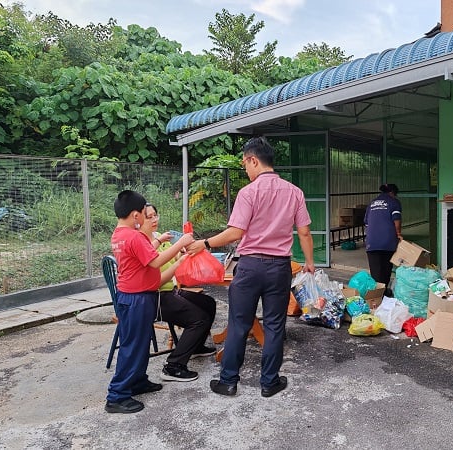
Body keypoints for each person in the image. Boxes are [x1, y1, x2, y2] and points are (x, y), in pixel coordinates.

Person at [187, 136, 315, 398]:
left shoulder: (249, 193)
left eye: (245, 163)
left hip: (249, 267)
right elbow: (304, 232)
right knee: (275, 324)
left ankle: (228, 381)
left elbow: (235, 232)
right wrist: (310, 263)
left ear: (253, 160)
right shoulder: (294, 192)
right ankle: (269, 382)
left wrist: (205, 243)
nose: (245, 169)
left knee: (239, 323)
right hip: (280, 267)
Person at [105, 190, 195, 414]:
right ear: (136, 216)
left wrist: (158, 242)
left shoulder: (120, 234)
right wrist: (180, 243)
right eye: (145, 214)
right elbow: (154, 263)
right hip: (137, 298)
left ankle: (137, 381)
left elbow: (141, 257)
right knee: (132, 347)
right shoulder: (134, 237)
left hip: (133, 296)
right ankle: (116, 396)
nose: (148, 218)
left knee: (140, 343)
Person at [140, 203, 217, 382]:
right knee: (199, 318)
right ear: (137, 220)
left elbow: (172, 256)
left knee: (208, 303)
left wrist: (182, 252)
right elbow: (156, 281)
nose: (154, 219)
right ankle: (173, 366)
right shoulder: (142, 243)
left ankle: (195, 347)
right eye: (149, 217)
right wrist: (178, 263)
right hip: (155, 297)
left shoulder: (159, 237)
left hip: (169, 291)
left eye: (155, 215)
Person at [364, 183, 402, 297]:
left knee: (375, 272)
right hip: (388, 241)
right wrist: (399, 234)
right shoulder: (394, 202)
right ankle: (384, 294)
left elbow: (366, 223)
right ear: (392, 193)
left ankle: (376, 297)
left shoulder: (371, 203)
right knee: (386, 270)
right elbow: (397, 221)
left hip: (372, 242)